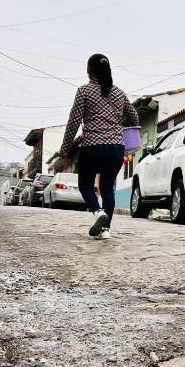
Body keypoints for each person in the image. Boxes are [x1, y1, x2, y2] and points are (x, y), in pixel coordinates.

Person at [59, 53, 139, 240]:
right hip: (116, 148)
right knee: (107, 188)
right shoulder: (119, 93)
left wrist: (65, 150)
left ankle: (97, 212)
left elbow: (73, 122)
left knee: (85, 184)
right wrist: (118, 123)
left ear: (89, 71)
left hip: (92, 147)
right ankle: (105, 231)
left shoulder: (84, 92)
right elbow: (134, 116)